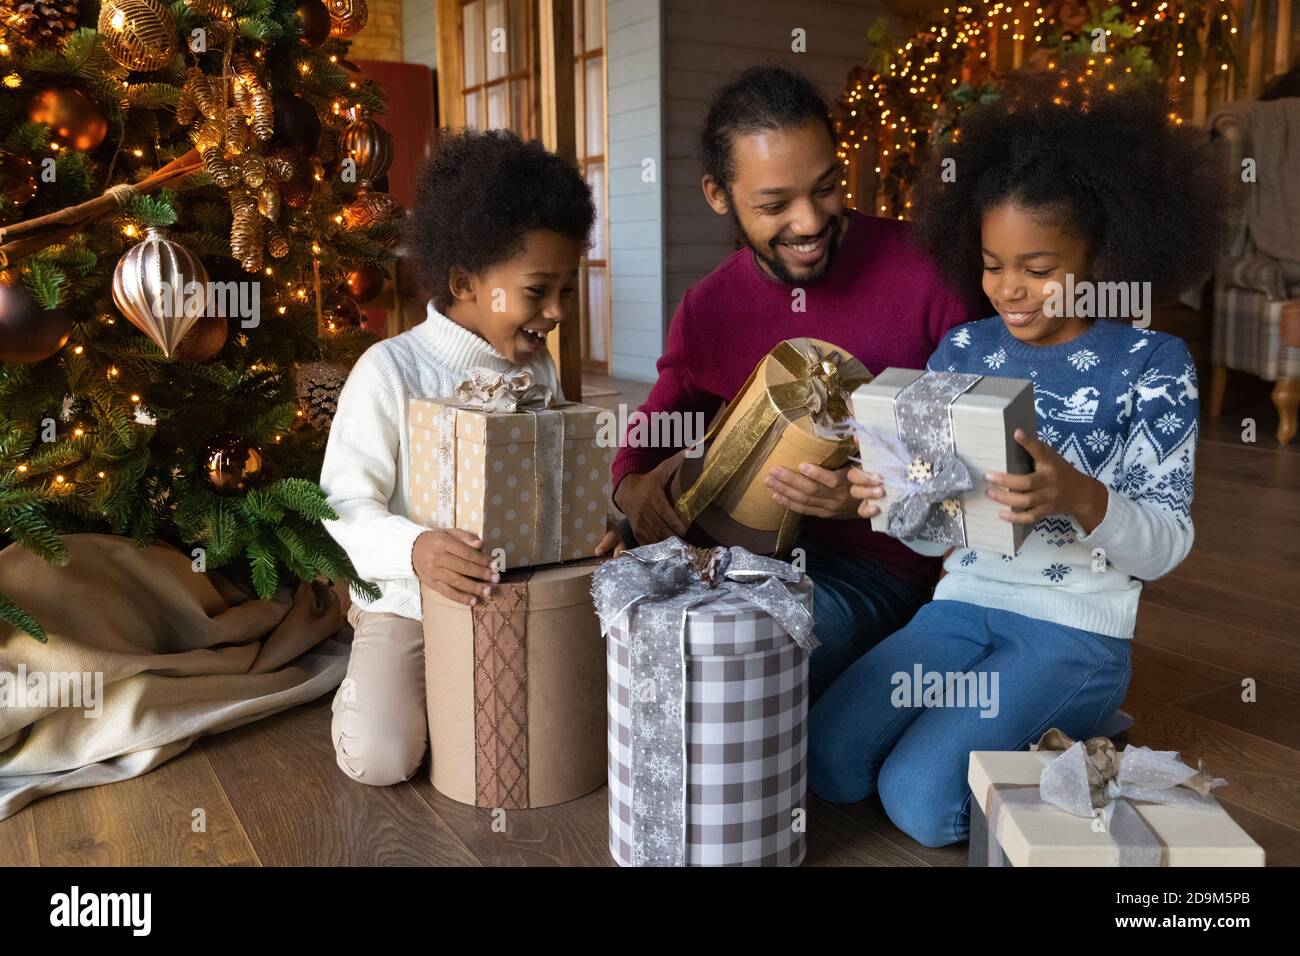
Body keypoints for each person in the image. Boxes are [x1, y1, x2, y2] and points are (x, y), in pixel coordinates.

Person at [808, 69, 1229, 846]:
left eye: (1040, 270)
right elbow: (937, 537)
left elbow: (1165, 546)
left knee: (923, 805)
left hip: (1074, 630)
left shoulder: (1153, 361)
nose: (1011, 290)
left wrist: (1081, 497)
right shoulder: (960, 349)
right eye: (994, 265)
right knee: (828, 761)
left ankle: (1087, 711)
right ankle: (1015, 717)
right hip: (960, 611)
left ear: (1101, 252)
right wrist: (894, 501)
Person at [606, 65, 979, 701]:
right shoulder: (708, 307)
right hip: (738, 558)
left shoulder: (929, 273)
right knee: (616, 629)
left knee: (737, 666)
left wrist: (875, 493)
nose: (808, 222)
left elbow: (986, 461)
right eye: (774, 204)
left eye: (827, 187)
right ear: (718, 195)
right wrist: (633, 491)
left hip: (878, 572)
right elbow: (646, 439)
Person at [318, 129, 595, 785]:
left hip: (521, 591)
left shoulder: (537, 366)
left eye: (567, 290)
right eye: (537, 291)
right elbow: (340, 506)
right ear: (465, 281)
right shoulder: (390, 369)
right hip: (411, 601)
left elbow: (556, 476)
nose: (555, 313)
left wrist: (595, 530)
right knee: (381, 759)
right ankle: (366, 677)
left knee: (563, 725)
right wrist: (417, 550)